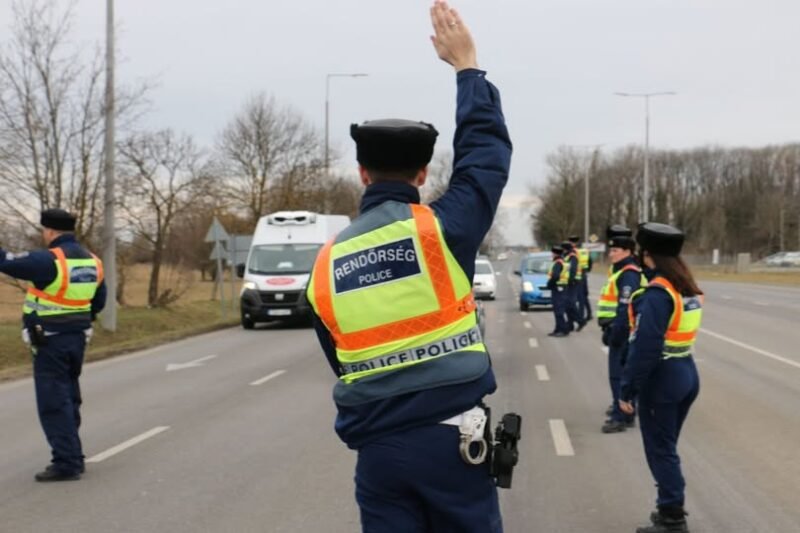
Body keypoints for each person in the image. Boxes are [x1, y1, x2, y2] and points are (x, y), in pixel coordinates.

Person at [306, 2, 512, 531]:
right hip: (452, 443)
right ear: (422, 174)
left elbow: (342, 354)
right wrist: (468, 69)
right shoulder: (442, 231)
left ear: (361, 174)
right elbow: (483, 158)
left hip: (378, 455)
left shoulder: (327, 263)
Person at [0, 208, 106, 481]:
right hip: (78, 338)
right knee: (69, 396)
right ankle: (73, 453)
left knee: (53, 401)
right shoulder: (94, 261)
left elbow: (5, 261)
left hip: (50, 341)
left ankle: (67, 462)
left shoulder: (49, 260)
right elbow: (99, 301)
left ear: (49, 231)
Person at [619, 223, 703, 533]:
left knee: (661, 450)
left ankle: (672, 517)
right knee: (666, 446)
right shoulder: (685, 287)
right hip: (686, 373)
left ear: (648, 256)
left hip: (663, 380)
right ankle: (667, 507)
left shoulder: (657, 293)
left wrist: (627, 390)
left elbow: (645, 348)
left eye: (642, 254)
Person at [596, 226, 645, 433]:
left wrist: (615, 334)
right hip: (618, 329)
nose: (611, 254)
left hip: (622, 332)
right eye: (611, 250)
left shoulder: (629, 274)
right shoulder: (621, 271)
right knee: (622, 375)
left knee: (618, 376)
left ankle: (621, 416)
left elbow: (625, 309)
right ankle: (624, 409)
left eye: (615, 251)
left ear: (627, 252)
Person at [561, 240, 586, 332]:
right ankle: (570, 324)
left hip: (573, 282)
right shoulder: (567, 256)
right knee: (568, 304)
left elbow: (572, 270)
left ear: (565, 249)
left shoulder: (572, 257)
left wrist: (570, 281)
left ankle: (580, 320)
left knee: (570, 304)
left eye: (563, 249)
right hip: (569, 282)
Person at [546, 244, 570, 338]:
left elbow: (555, 276)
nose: (551, 254)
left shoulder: (558, 263)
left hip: (558, 288)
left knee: (558, 310)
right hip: (562, 287)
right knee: (558, 310)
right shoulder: (563, 262)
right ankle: (558, 329)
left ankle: (563, 330)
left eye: (552, 253)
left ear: (555, 254)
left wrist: (549, 284)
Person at [569, 235, 592, 321]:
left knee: (580, 296)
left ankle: (581, 315)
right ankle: (589, 313)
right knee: (584, 295)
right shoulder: (585, 250)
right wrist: (587, 270)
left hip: (578, 275)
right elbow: (590, 261)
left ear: (572, 243)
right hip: (584, 274)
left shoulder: (574, 252)